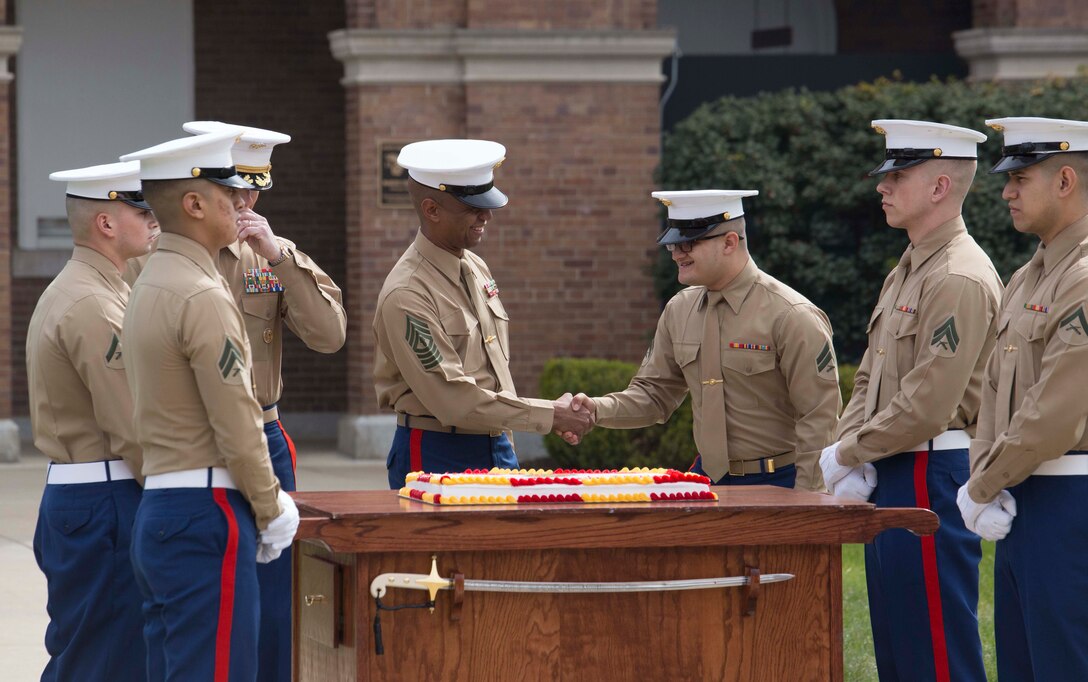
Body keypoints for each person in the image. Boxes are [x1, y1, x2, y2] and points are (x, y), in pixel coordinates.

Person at [822, 120, 1002, 682]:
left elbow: (927, 402)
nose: (882, 185)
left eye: (897, 174)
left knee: (936, 650)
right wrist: (851, 449)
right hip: (896, 465)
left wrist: (850, 454)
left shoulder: (958, 277)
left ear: (940, 187)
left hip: (930, 470)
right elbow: (868, 379)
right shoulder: (908, 270)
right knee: (900, 645)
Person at [119, 129, 299, 681]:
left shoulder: (152, 281)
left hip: (164, 508)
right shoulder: (201, 292)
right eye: (229, 193)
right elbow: (236, 417)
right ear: (194, 204)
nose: (241, 203)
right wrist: (271, 510)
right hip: (204, 513)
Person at [182, 120, 346, 682]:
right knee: (207, 592)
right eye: (235, 190)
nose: (246, 203)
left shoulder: (272, 257)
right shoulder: (173, 259)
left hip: (265, 436)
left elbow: (330, 335)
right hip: (196, 442)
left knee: (279, 599)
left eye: (255, 192)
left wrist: (277, 255)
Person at [567, 189, 841, 490]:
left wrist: (808, 500)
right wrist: (596, 409)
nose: (675, 253)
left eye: (686, 243)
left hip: (780, 481)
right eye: (671, 244)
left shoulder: (791, 315)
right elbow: (654, 395)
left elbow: (819, 418)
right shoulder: (679, 309)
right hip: (706, 481)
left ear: (729, 242)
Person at [373, 138, 592, 488]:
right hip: (438, 453)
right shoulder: (407, 293)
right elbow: (452, 399)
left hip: (497, 445)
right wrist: (550, 416)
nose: (486, 216)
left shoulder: (474, 266)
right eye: (473, 207)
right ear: (432, 209)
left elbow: (494, 374)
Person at [961, 116, 1088, 680]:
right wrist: (984, 476)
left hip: (1069, 502)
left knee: (1063, 663)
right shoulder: (1027, 276)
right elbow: (994, 388)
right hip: (1021, 500)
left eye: (1021, 177)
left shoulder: (1083, 277)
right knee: (1022, 664)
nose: (1007, 190)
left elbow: (1056, 410)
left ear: (1066, 180)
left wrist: (983, 484)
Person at [28, 160, 157, 681]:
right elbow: (134, 428)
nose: (154, 220)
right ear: (106, 223)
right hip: (104, 501)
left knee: (103, 654)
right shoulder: (92, 303)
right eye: (141, 209)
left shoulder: (101, 289)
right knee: (100, 660)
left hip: (95, 498)